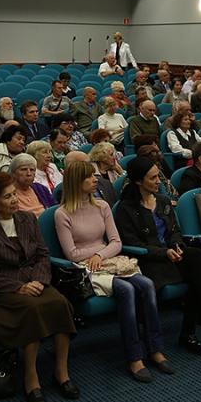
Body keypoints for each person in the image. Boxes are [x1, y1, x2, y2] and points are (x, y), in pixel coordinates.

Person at [55, 161, 171, 382]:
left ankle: (155, 348)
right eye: (89, 177)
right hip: (86, 268)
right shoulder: (62, 214)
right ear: (76, 182)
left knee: (147, 284)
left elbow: (117, 242)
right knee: (126, 289)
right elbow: (72, 254)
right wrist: (98, 254)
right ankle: (134, 356)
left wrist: (100, 254)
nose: (95, 180)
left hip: (107, 260)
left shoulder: (102, 206)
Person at [0, 172, 78, 402]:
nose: (14, 200)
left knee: (60, 303)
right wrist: (19, 287)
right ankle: (31, 377)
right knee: (32, 309)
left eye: (14, 195)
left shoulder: (27, 219)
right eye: (7, 197)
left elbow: (42, 254)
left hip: (35, 281)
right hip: (3, 289)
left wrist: (39, 280)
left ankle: (61, 372)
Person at [115, 158, 201, 355]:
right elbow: (132, 243)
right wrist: (164, 252)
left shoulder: (162, 201)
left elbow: (174, 231)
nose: (158, 181)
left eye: (158, 176)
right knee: (196, 277)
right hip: (149, 260)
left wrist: (176, 246)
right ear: (138, 181)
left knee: (196, 257)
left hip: (172, 254)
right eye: (153, 178)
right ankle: (200, 326)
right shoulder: (125, 208)